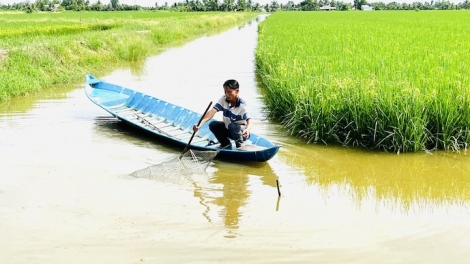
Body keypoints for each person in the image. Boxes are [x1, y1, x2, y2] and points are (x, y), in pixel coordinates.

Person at [193, 79, 252, 149]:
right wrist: (199, 125)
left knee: (232, 125)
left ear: (237, 91)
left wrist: (247, 130)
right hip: (229, 130)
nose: (227, 94)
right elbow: (212, 112)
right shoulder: (223, 99)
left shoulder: (242, 105)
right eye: (225, 91)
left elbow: (250, 121)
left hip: (241, 133)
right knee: (213, 124)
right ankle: (225, 144)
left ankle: (240, 147)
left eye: (230, 92)